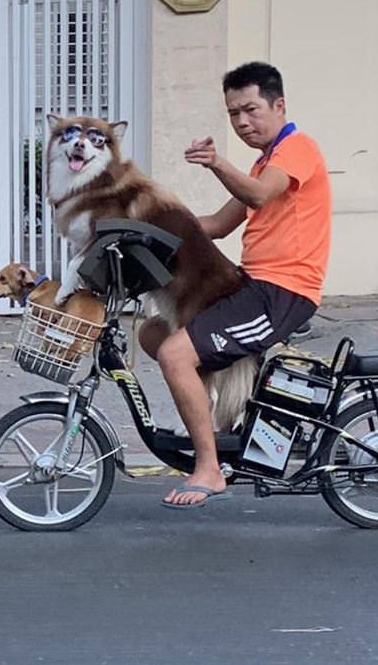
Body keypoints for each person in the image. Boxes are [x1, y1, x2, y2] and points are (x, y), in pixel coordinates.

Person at [145, 61, 331, 508]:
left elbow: (258, 194)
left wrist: (214, 163)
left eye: (250, 110)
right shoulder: (265, 161)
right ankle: (225, 424)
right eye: (233, 114)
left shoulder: (297, 150)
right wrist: (150, 223)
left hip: (282, 293)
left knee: (175, 354)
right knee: (153, 334)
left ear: (279, 104)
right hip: (250, 285)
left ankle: (209, 468)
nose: (242, 122)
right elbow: (215, 226)